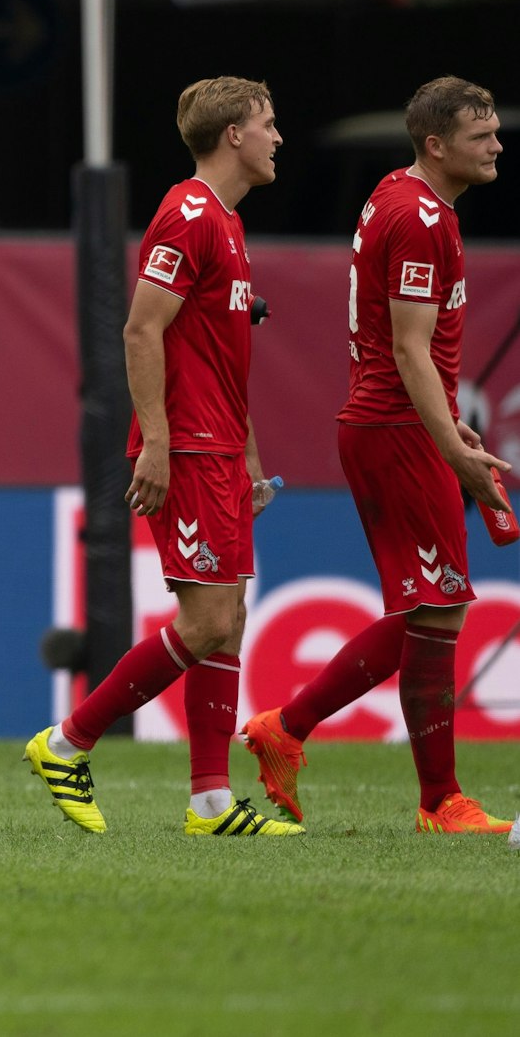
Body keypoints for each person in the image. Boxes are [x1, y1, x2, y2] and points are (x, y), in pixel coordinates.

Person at [22, 77, 301, 836]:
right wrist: (157, 442)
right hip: (187, 446)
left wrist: (249, 456)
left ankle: (210, 802)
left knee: (229, 617)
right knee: (206, 621)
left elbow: (220, 357)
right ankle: (67, 742)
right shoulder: (188, 215)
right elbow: (141, 329)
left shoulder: (228, 224)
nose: (279, 137)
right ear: (234, 135)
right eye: (269, 123)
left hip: (221, 447)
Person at [244, 77, 513, 835]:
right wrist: (449, 443)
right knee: (440, 606)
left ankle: (293, 730)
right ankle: (436, 799)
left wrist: (448, 425)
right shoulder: (419, 217)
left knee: (434, 608)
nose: (497, 145)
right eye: (481, 135)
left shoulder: (401, 194)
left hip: (396, 424)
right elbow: (408, 348)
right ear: (436, 144)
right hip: (395, 430)